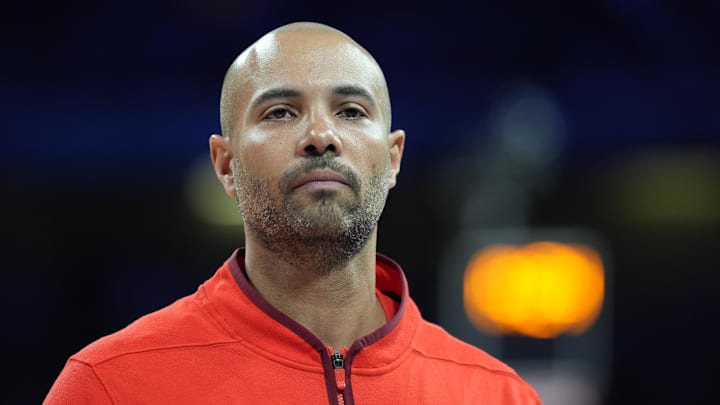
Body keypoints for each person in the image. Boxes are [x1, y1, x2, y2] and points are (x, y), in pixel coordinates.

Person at [44, 22, 542, 404]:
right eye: (280, 112)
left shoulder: (498, 394)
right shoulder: (110, 385)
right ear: (226, 164)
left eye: (351, 111)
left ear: (393, 159)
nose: (320, 135)